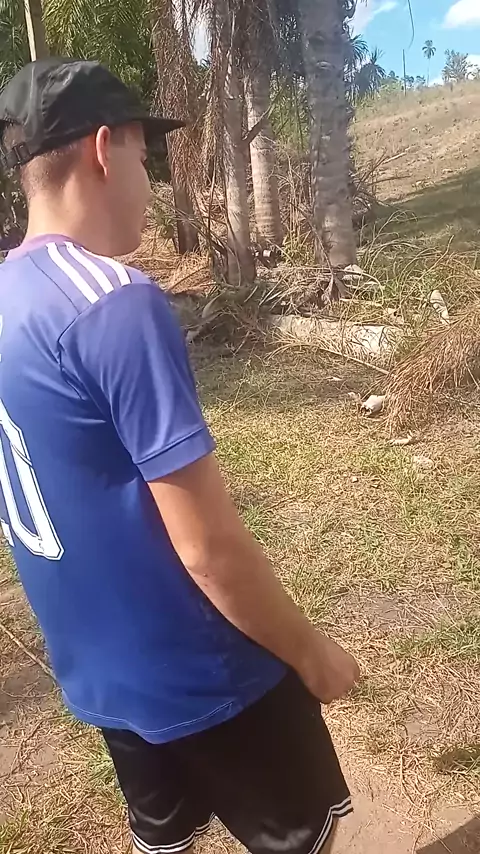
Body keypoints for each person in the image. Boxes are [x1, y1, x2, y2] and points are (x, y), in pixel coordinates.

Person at [0, 58, 360, 854]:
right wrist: (312, 655)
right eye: (145, 154)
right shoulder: (113, 302)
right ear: (104, 149)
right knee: (305, 837)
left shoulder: (7, 297)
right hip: (204, 670)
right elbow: (208, 548)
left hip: (99, 672)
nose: (150, 181)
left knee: (165, 837)